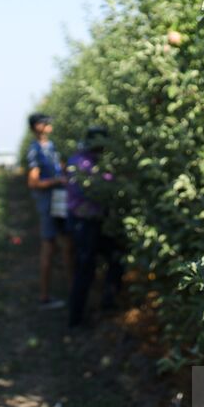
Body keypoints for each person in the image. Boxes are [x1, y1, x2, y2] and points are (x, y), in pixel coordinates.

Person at [65, 126, 124, 328]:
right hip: (83, 222)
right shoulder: (80, 162)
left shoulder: (98, 161)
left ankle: (108, 301)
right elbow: (89, 190)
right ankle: (76, 318)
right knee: (85, 267)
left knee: (116, 257)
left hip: (98, 221)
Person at [26, 113, 71, 310]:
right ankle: (44, 296)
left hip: (58, 202)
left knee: (67, 244)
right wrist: (56, 181)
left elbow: (58, 167)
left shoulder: (49, 146)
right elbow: (33, 182)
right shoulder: (35, 150)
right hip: (47, 204)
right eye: (46, 122)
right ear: (38, 126)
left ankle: (71, 290)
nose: (50, 125)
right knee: (49, 247)